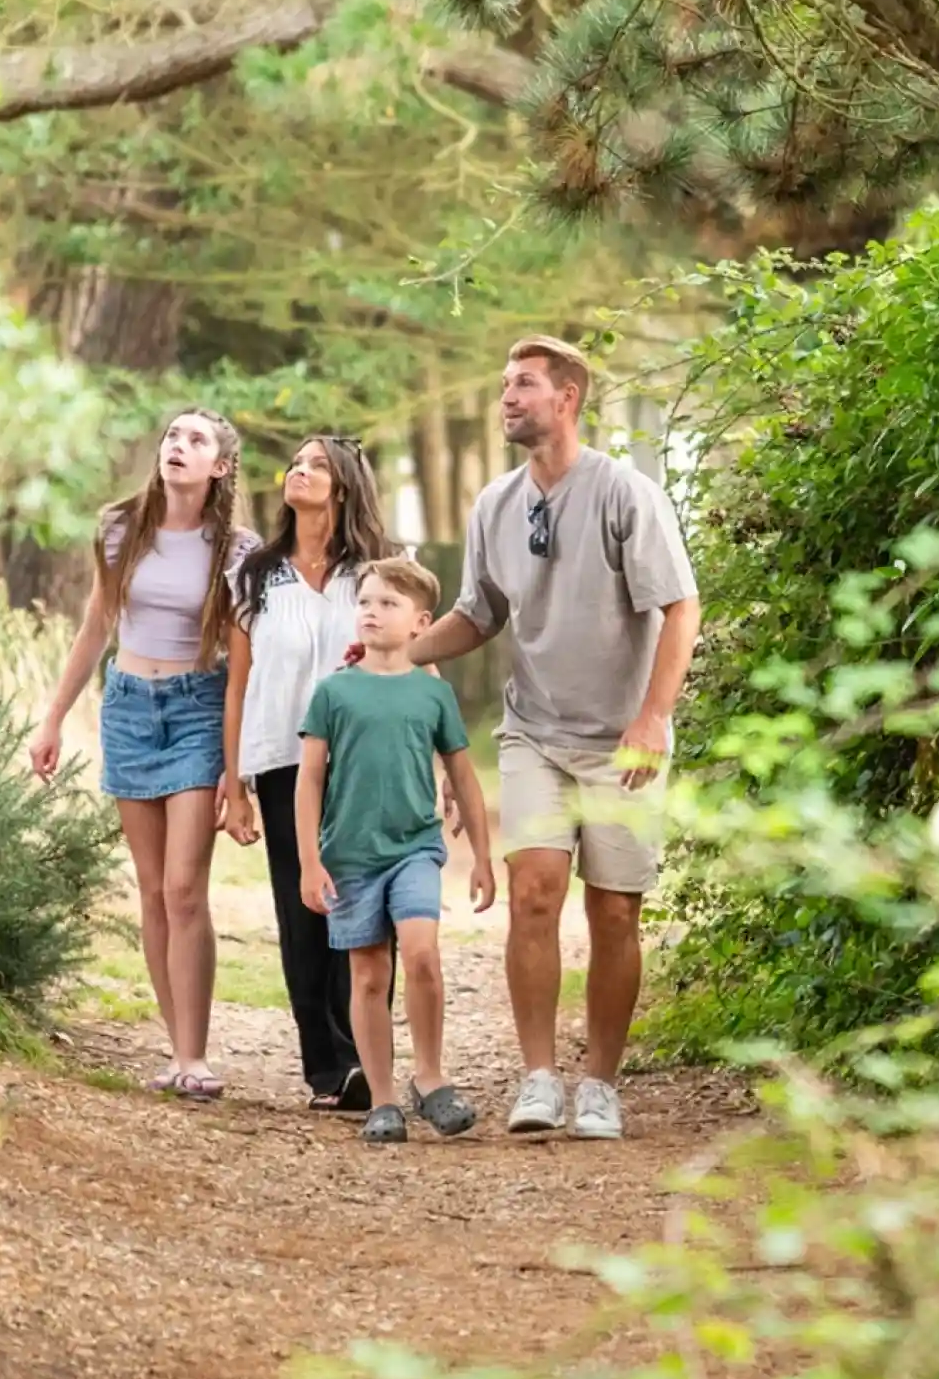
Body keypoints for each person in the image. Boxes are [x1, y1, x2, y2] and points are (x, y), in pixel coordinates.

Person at [406, 336, 700, 1141]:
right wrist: (402, 648)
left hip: (624, 741)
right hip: (533, 731)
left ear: (567, 398)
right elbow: (479, 614)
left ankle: (600, 1083)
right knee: (534, 893)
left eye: (524, 385)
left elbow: (681, 607)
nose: (507, 396)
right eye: (503, 383)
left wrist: (654, 716)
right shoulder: (494, 505)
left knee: (614, 913)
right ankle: (538, 1079)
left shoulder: (624, 494)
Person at [31, 408, 259, 1100]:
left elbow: (243, 662)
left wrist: (235, 761)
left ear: (220, 466)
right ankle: (175, 1050)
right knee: (155, 889)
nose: (177, 447)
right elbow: (97, 623)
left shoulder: (238, 547)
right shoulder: (118, 526)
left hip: (197, 707)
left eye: (196, 440)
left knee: (187, 887)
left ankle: (196, 1056)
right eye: (172, 436)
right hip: (129, 706)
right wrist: (52, 717)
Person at [222, 434, 398, 1113]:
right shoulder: (254, 574)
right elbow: (238, 682)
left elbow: (412, 658)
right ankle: (327, 1067)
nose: (300, 470)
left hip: (364, 756)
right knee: (305, 907)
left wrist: (440, 763)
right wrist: (233, 780)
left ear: (345, 485)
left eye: (317, 464)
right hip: (282, 758)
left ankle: (365, 1054)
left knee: (364, 901)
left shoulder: (375, 574)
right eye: (296, 462)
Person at [298, 558, 494, 1144]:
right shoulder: (333, 692)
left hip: (414, 848)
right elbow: (309, 780)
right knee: (366, 977)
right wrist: (310, 860)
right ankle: (382, 1099)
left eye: (387, 603)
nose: (371, 612)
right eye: (365, 602)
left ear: (420, 622)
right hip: (351, 855)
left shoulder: (432, 694)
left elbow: (463, 775)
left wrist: (483, 856)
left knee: (422, 955)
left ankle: (431, 1079)